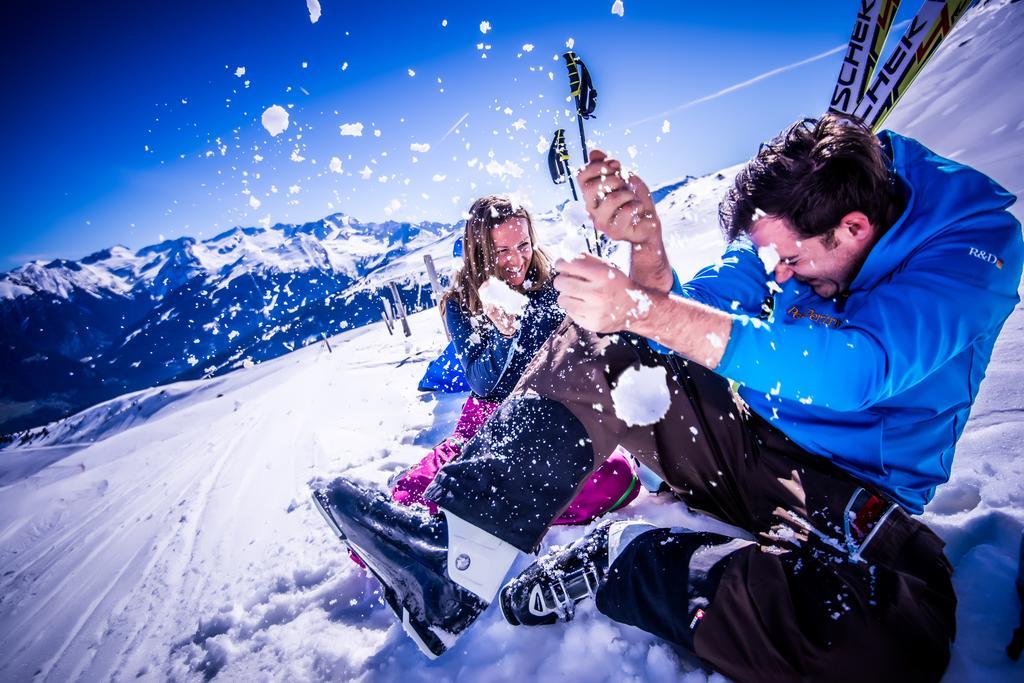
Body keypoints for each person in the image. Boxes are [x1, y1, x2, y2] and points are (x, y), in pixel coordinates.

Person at [313, 114, 1023, 681]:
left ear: (855, 231)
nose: (778, 277)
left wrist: (646, 311)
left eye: (792, 262)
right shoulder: (801, 204)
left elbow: (858, 370)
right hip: (749, 446)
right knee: (605, 344)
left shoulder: (968, 248)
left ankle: (628, 559)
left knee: (888, 652)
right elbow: (674, 317)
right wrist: (646, 249)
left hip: (855, 496)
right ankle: (453, 560)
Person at [389, 195, 638, 523]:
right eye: (502, 251)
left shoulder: (551, 284)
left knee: (618, 480)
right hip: (491, 417)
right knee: (410, 497)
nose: (517, 260)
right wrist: (504, 338)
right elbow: (481, 381)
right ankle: (497, 505)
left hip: (554, 411)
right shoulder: (461, 304)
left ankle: (488, 507)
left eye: (523, 245)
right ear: (481, 252)